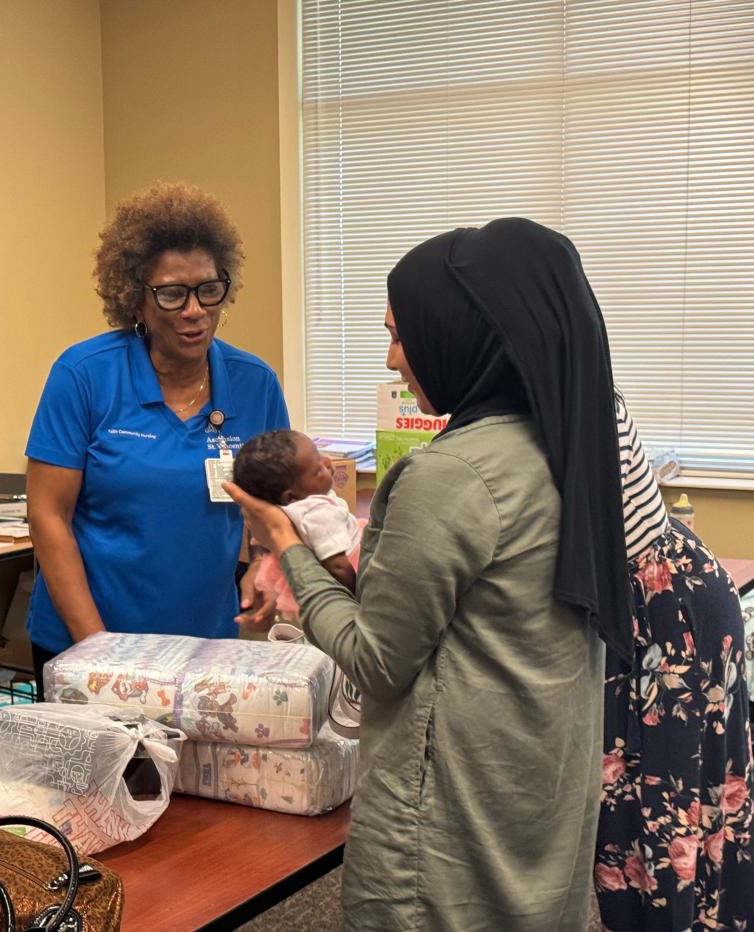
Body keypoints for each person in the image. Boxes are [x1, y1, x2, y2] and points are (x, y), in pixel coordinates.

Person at [227, 218, 622, 929]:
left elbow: (376, 664)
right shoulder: (568, 447)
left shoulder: (449, 476)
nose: (390, 360)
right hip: (535, 801)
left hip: (445, 833)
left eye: (401, 334)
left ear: (464, 333)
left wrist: (285, 542)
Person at [24, 181, 289, 685]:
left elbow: (274, 500)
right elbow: (47, 515)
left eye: (208, 289)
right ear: (135, 298)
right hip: (87, 641)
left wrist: (265, 560)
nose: (194, 310)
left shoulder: (255, 384)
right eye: (171, 294)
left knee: (191, 769)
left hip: (203, 648)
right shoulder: (85, 374)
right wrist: (96, 650)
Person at [593, 389, 754, 929]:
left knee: (673, 829)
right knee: (638, 825)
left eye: (401, 335)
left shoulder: (558, 383)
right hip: (648, 604)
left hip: (670, 612)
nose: (392, 358)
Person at [231, 429, 358, 617]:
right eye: (318, 470)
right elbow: (337, 566)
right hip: (349, 570)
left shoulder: (281, 512)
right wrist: (358, 596)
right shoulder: (317, 512)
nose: (327, 463)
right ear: (291, 496)